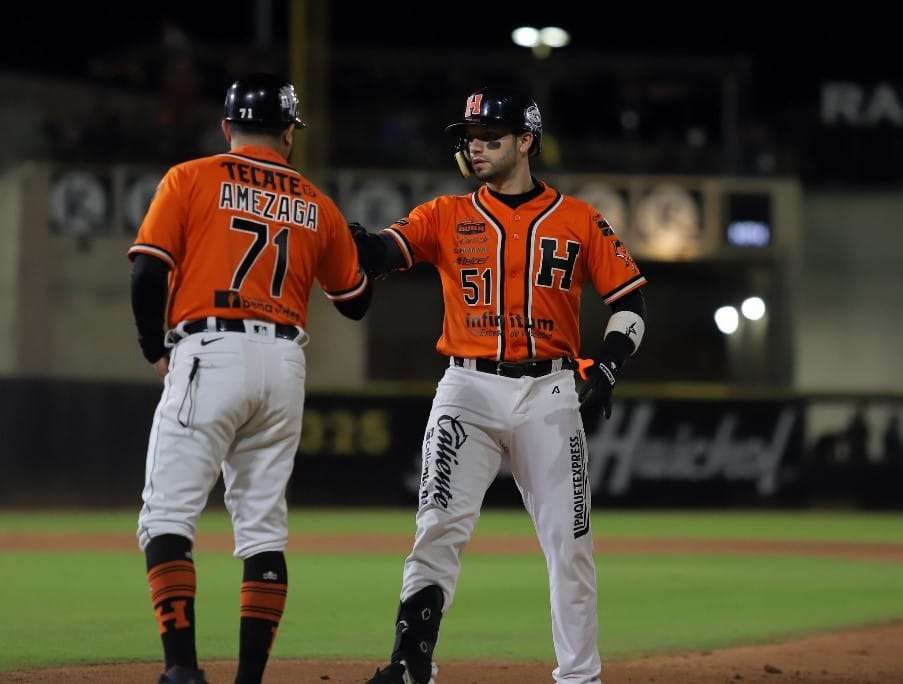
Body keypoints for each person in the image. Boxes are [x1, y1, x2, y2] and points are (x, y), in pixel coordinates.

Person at [352, 86, 648, 684]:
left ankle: (580, 676)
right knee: (437, 526)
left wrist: (610, 362)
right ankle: (410, 666)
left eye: (492, 139)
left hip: (550, 392)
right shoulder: (444, 214)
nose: (478, 148)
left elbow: (631, 301)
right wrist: (353, 242)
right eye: (472, 139)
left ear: (526, 142)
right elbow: (387, 251)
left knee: (570, 544)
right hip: (467, 388)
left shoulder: (580, 218)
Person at [127, 73, 372, 684]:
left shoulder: (191, 177)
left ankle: (182, 671)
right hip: (285, 362)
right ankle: (247, 682)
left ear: (226, 126)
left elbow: (146, 273)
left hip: (210, 348)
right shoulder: (317, 201)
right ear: (289, 133)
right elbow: (355, 300)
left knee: (167, 518)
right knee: (262, 526)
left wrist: (152, 346)